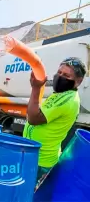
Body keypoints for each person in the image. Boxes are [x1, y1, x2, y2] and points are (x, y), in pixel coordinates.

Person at [23, 57, 86, 188]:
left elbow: (34, 118)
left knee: (25, 194)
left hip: (40, 161)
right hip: (33, 156)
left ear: (78, 82)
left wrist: (35, 88)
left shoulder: (67, 100)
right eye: (59, 73)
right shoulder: (61, 94)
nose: (60, 76)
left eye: (66, 75)